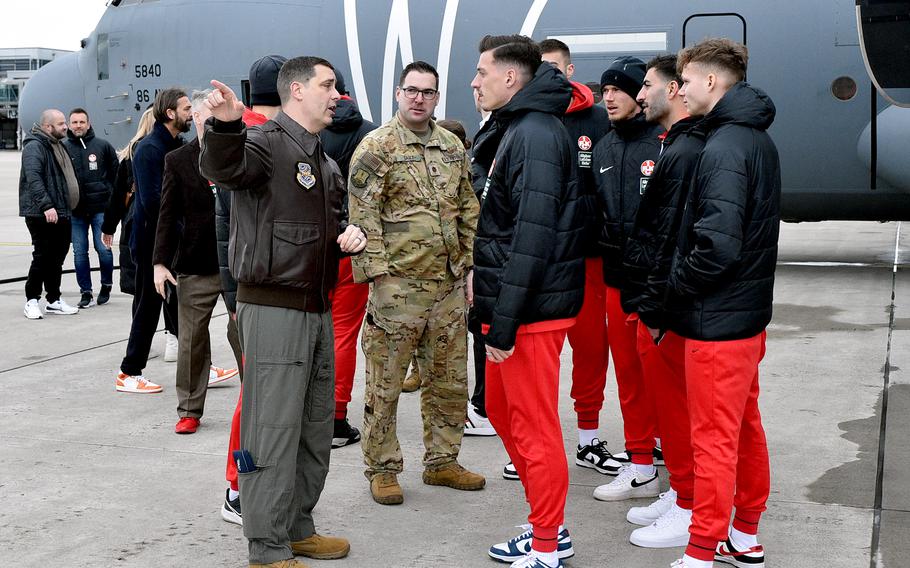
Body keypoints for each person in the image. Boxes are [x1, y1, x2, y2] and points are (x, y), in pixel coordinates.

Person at [200, 56, 364, 567]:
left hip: (316, 309)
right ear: (296, 90)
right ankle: (266, 547)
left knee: (314, 426)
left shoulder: (326, 162)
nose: (337, 95)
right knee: (269, 430)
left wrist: (344, 238)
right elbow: (223, 168)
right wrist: (226, 124)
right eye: (327, 85)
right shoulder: (265, 144)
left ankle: (297, 526)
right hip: (272, 310)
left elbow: (316, 232)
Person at [470, 35, 585, 568]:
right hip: (510, 304)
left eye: (482, 72)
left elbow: (533, 236)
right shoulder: (516, 128)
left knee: (534, 425)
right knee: (499, 409)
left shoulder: (535, 134)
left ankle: (547, 544)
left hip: (531, 311)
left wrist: (506, 324)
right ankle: (547, 523)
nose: (474, 82)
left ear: (511, 78)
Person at [348, 60, 484, 506]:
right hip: (397, 287)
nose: (419, 98)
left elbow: (467, 207)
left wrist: (468, 269)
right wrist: (379, 279)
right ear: (397, 93)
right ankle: (382, 468)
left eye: (427, 92)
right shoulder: (376, 148)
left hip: (446, 287)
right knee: (385, 383)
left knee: (448, 380)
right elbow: (362, 218)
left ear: (437, 97)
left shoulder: (451, 147)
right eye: (412, 90)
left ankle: (442, 461)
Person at [668, 38, 779, 568]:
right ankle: (745, 533)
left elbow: (717, 246)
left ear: (711, 81)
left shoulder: (724, 147)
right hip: (745, 319)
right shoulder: (752, 139)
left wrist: (676, 285)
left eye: (685, 80)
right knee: (743, 426)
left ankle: (702, 550)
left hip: (718, 321)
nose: (679, 89)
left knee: (712, 438)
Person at [621, 54, 706, 549]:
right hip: (657, 303)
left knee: (681, 412)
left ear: (675, 89)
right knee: (670, 411)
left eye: (647, 85)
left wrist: (658, 303)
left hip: (671, 308)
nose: (639, 95)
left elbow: (677, 238)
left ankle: (693, 506)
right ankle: (682, 492)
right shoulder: (676, 143)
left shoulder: (689, 148)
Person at [590, 57, 664, 501]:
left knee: (665, 383)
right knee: (630, 380)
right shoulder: (603, 148)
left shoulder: (663, 144)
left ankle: (672, 464)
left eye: (619, 89)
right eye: (605, 90)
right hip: (616, 283)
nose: (610, 97)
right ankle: (640, 465)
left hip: (656, 286)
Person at [539, 37, 614, 475]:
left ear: (569, 72)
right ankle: (532, 447)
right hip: (544, 262)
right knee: (540, 361)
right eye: (540, 68)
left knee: (590, 351)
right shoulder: (524, 120)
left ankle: (588, 438)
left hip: (587, 259)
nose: (548, 76)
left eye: (555, 68)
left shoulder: (598, 121)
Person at [219, 54, 286, 527]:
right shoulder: (256, 142)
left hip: (249, 288)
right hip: (255, 292)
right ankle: (237, 486)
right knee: (258, 397)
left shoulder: (242, 137)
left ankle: (247, 483)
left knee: (261, 395)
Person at [153, 89, 241, 435]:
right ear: (198, 119)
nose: (208, 121)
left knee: (243, 335)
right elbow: (166, 213)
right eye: (203, 115)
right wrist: (160, 262)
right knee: (191, 341)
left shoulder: (239, 154)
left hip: (236, 264)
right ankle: (189, 409)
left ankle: (255, 400)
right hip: (196, 264)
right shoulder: (177, 160)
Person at [115, 88, 190, 394]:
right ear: (170, 113)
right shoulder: (149, 150)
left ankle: (197, 364)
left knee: (180, 307)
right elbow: (153, 201)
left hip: (169, 240)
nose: (189, 113)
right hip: (151, 242)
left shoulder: (175, 145)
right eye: (185, 108)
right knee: (149, 307)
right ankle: (129, 372)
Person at [321, 68, 377, 448]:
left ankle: (311, 413)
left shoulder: (308, 128)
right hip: (354, 244)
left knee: (310, 331)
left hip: (312, 245)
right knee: (344, 333)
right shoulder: (371, 132)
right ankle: (336, 418)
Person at [19, 109, 80, 319]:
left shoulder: (56, 144)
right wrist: (46, 206)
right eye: (61, 123)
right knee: (43, 256)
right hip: (42, 213)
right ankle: (32, 300)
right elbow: (34, 178)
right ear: (47, 127)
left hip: (62, 212)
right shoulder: (35, 146)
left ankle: (53, 300)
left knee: (57, 258)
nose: (66, 126)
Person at [63, 108, 117, 308]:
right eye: (74, 122)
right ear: (69, 124)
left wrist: (110, 197)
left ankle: (106, 284)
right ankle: (85, 291)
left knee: (103, 250)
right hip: (75, 212)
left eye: (81, 122)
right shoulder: (63, 148)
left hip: (100, 209)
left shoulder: (102, 146)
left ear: (88, 123)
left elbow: (116, 175)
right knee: (79, 253)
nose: (78, 126)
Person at [102, 106, 155, 296]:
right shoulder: (137, 154)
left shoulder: (130, 153)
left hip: (133, 223)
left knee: (141, 294)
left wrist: (109, 227)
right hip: (141, 222)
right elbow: (118, 194)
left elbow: (117, 195)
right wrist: (108, 227)